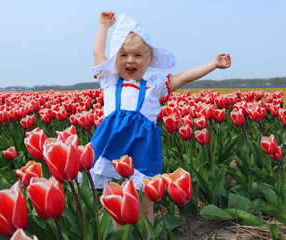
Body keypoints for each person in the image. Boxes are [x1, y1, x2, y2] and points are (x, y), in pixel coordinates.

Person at [90, 11, 231, 232]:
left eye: (138, 56)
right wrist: (104, 26)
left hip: (144, 148)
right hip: (114, 145)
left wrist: (213, 64)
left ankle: (147, 236)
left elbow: (184, 77)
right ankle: (120, 237)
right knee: (118, 201)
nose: (130, 60)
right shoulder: (109, 82)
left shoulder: (154, 87)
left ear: (148, 60)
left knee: (147, 202)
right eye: (124, 55)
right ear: (115, 59)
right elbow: (97, 52)